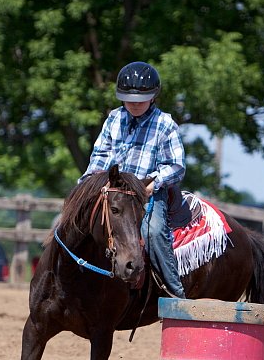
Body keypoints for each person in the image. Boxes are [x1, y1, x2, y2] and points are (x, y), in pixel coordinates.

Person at [79, 61, 186, 298]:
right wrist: (86, 185)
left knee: (154, 230)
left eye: (140, 99)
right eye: (129, 99)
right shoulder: (114, 119)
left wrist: (153, 183)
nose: (135, 104)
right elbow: (100, 157)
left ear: (153, 96)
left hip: (146, 191)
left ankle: (174, 290)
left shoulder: (165, 124)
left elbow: (176, 166)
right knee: (78, 221)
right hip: (114, 190)